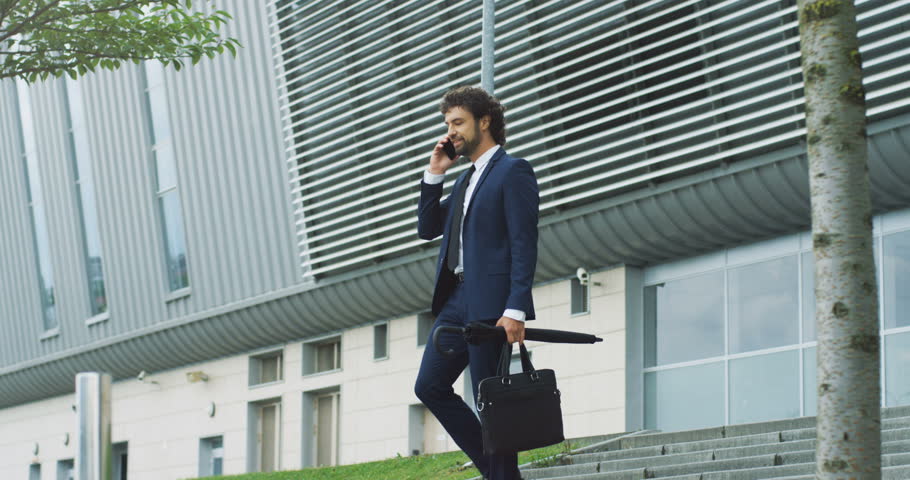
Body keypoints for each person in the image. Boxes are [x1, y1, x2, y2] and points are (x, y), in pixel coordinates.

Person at [414, 86, 539, 480]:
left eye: (458, 123)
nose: (450, 132)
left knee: (492, 402)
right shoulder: (463, 181)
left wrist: (515, 308)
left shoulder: (512, 170)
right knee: (429, 386)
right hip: (457, 300)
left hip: (493, 303)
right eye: (447, 124)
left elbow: (524, 244)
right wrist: (435, 173)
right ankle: (497, 472)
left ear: (484, 121)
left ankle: (502, 475)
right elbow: (427, 227)